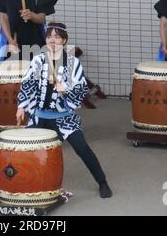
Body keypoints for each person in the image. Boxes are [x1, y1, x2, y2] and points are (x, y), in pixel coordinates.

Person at [15, 22, 112, 198]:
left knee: (82, 149)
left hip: (64, 118)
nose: (52, 40)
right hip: (39, 116)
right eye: (49, 36)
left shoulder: (72, 63)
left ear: (64, 40)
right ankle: (28, 184)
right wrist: (21, 106)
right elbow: (27, 84)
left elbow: (82, 89)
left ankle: (102, 182)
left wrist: (65, 89)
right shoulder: (38, 59)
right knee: (28, 150)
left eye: (57, 37)